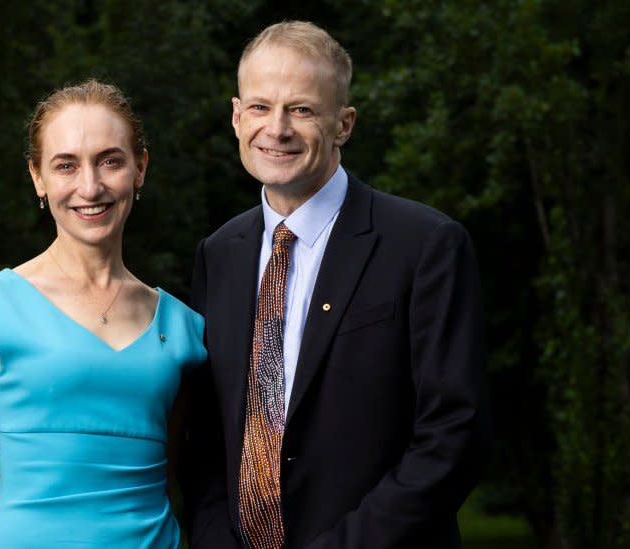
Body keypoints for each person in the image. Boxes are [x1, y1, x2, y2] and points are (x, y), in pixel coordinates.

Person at [185, 21, 490, 548]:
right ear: (237, 117)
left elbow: (453, 438)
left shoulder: (425, 245)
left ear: (343, 124)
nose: (276, 129)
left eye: (301, 109)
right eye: (260, 107)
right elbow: (206, 436)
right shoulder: (219, 254)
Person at [0, 79, 206, 548]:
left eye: (110, 161)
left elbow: (175, 485)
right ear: (38, 177)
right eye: (66, 165)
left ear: (141, 168)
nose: (89, 186)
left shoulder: (183, 328)